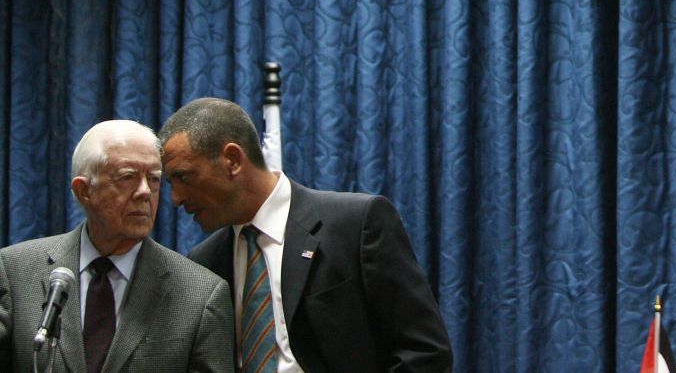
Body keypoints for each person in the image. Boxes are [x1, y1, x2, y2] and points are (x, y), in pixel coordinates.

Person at [159, 97, 452, 372]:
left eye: (183, 177)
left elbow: (423, 352)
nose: (175, 198)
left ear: (232, 160)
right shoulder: (204, 264)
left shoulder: (355, 224)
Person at [0, 120, 233, 372]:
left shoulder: (201, 294)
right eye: (128, 177)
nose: (145, 192)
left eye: (154, 179)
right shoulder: (15, 271)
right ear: (83, 191)